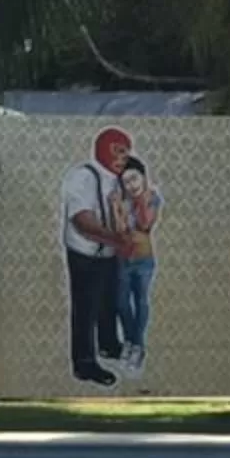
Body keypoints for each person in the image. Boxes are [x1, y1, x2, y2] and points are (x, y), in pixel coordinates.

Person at [60, 128, 130, 385]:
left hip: (109, 253)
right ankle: (84, 362)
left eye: (126, 152)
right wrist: (116, 239)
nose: (122, 158)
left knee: (109, 301)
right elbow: (82, 221)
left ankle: (108, 345)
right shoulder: (84, 176)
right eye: (118, 151)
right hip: (85, 254)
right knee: (85, 308)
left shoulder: (118, 179)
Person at [110, 156, 161, 373]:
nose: (131, 185)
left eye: (134, 178)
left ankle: (137, 346)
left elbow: (145, 224)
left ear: (143, 176)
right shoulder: (123, 201)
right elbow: (120, 230)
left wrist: (140, 199)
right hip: (123, 259)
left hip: (144, 260)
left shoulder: (152, 198)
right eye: (126, 182)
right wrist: (116, 207)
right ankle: (131, 341)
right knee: (121, 303)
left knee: (141, 302)